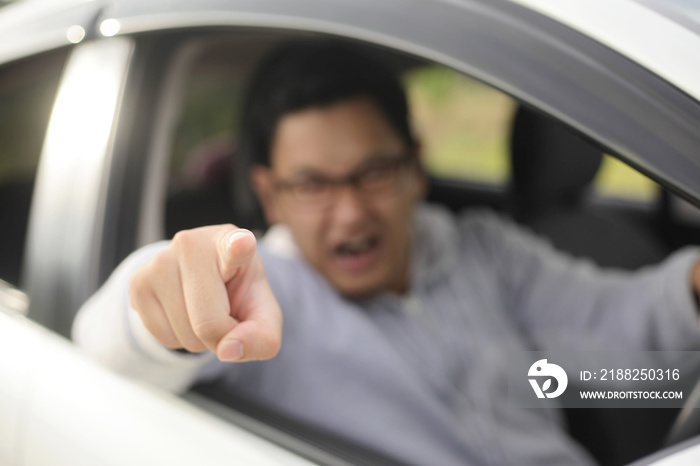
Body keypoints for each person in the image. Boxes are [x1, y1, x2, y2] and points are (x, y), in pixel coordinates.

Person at [73, 40, 700, 466]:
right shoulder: (261, 300)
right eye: (313, 184)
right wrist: (161, 304)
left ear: (416, 168)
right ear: (269, 194)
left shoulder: (484, 248)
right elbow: (105, 345)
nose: (350, 212)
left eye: (373, 172)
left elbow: (622, 317)